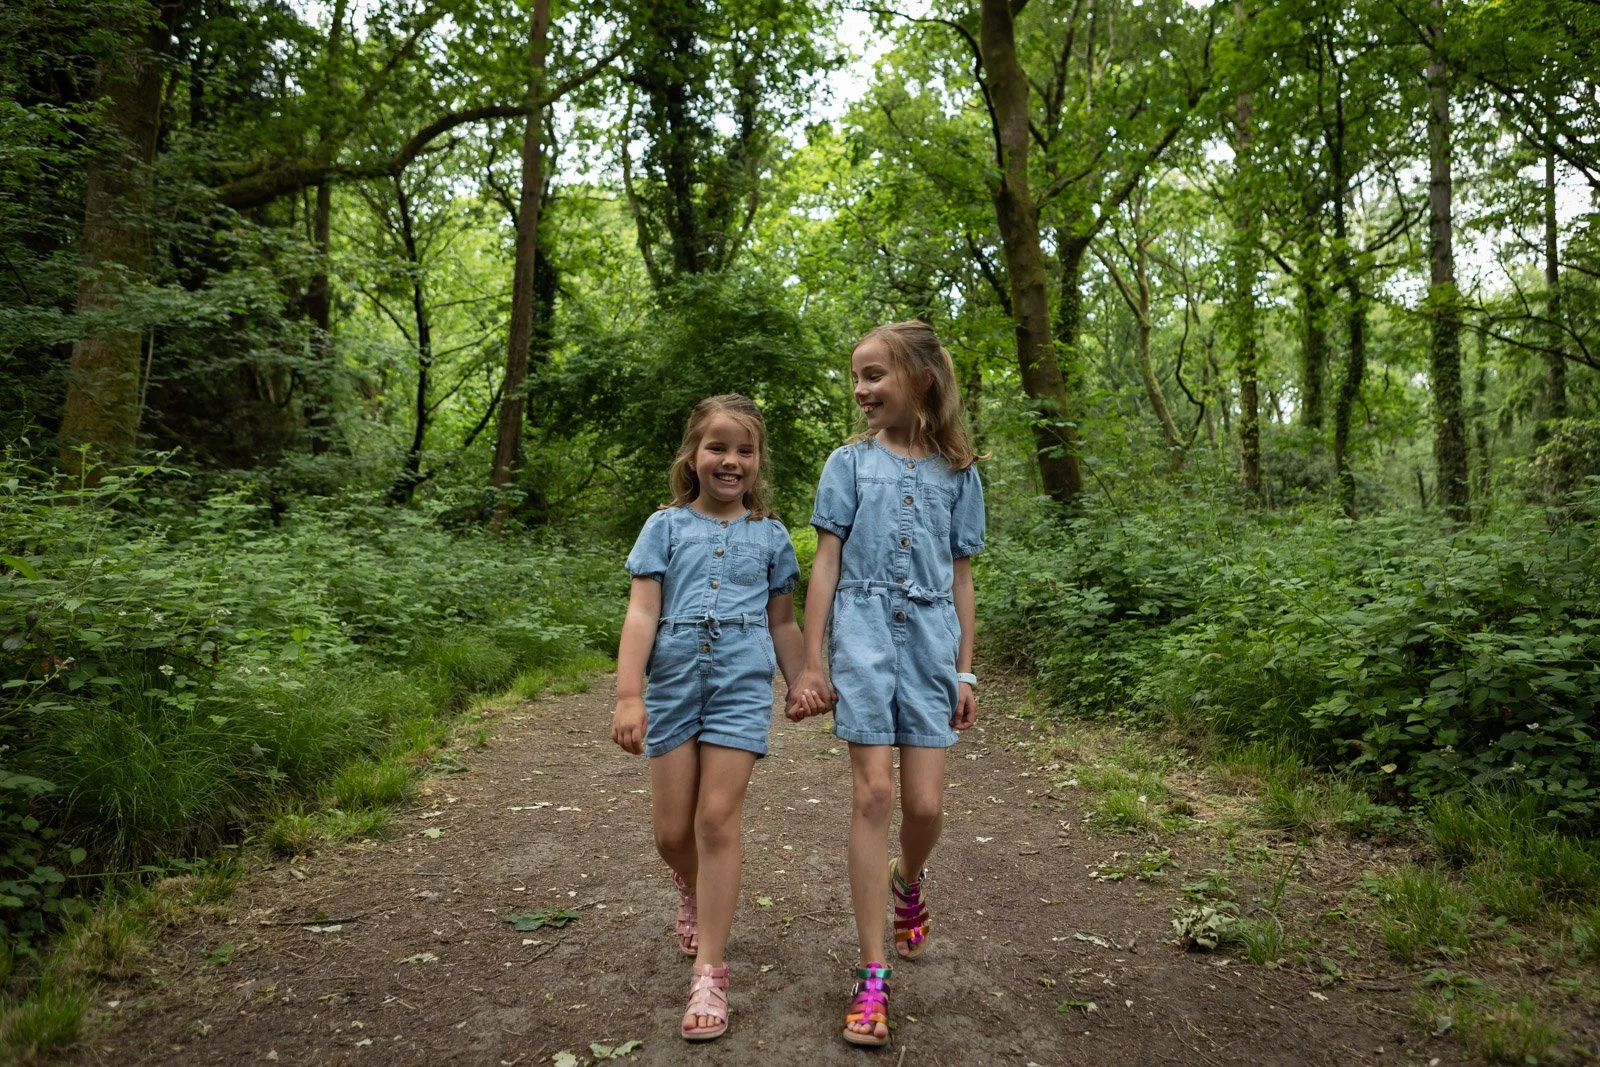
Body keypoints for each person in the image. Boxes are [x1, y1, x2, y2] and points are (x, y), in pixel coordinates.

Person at [789, 321, 986, 1047]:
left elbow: (963, 576)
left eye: (875, 374)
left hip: (933, 645)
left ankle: (911, 881)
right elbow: (826, 565)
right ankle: (873, 973)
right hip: (864, 639)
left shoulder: (960, 471)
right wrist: (814, 661)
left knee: (925, 804)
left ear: (922, 378)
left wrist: (965, 666)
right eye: (857, 377)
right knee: (873, 793)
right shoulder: (847, 463)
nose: (862, 389)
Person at [611, 393, 822, 1042]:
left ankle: (710, 969)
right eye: (718, 447)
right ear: (693, 456)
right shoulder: (664, 528)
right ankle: (693, 888)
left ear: (758, 462)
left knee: (714, 819)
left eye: (745, 450)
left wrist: (805, 676)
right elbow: (642, 613)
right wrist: (628, 694)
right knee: (673, 833)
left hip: (739, 686)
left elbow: (782, 622)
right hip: (674, 689)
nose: (731, 460)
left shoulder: (772, 537)